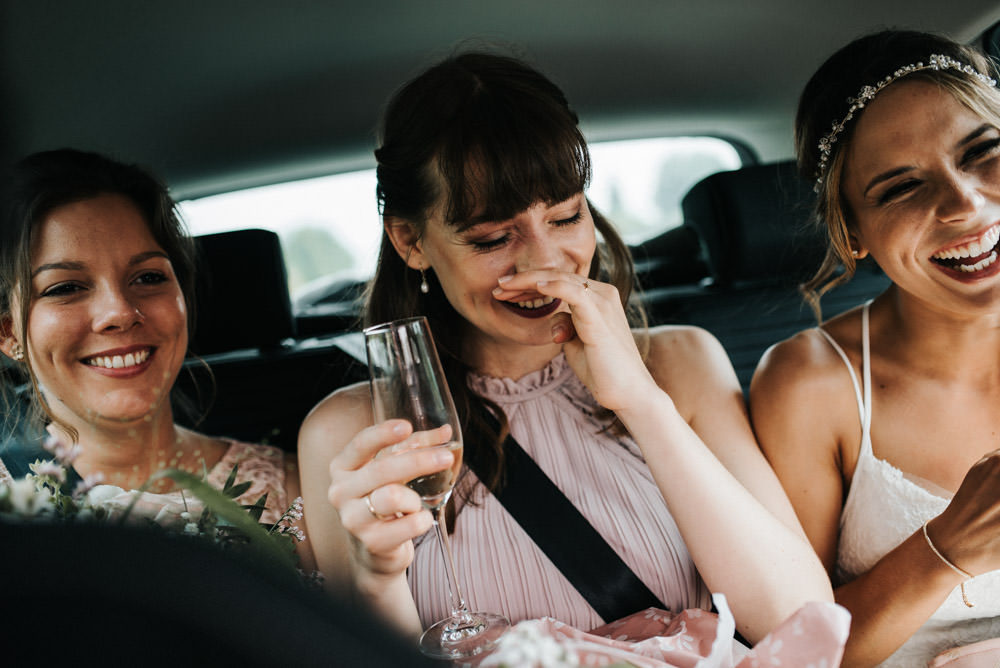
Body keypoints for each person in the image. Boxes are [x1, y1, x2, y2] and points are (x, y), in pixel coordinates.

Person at [298, 50, 833, 649]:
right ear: (410, 240)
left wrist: (639, 400)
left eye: (565, 217)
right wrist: (374, 579)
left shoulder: (682, 363)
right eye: (494, 238)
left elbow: (801, 624)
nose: (544, 263)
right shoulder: (347, 431)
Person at [751, 30, 1000, 668]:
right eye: (900, 188)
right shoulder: (809, 384)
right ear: (853, 234)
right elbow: (792, 652)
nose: (964, 204)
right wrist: (946, 548)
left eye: (984, 150)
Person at [0, 149, 312, 568]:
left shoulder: (298, 488)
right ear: (9, 332)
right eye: (65, 287)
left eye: (148, 277)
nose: (120, 312)